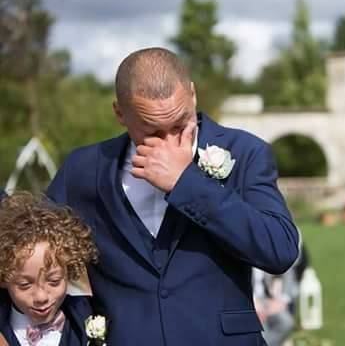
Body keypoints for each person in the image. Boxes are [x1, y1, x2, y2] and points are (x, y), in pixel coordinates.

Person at [47, 47, 300, 345]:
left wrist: (187, 184)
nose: (169, 143)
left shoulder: (246, 153)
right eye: (152, 132)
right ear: (120, 113)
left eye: (180, 125)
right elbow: (26, 243)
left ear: (192, 95)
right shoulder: (85, 168)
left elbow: (279, 249)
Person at [0, 192, 98, 345]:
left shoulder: (87, 314)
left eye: (54, 281)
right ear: (3, 278)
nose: (41, 297)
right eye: (25, 285)